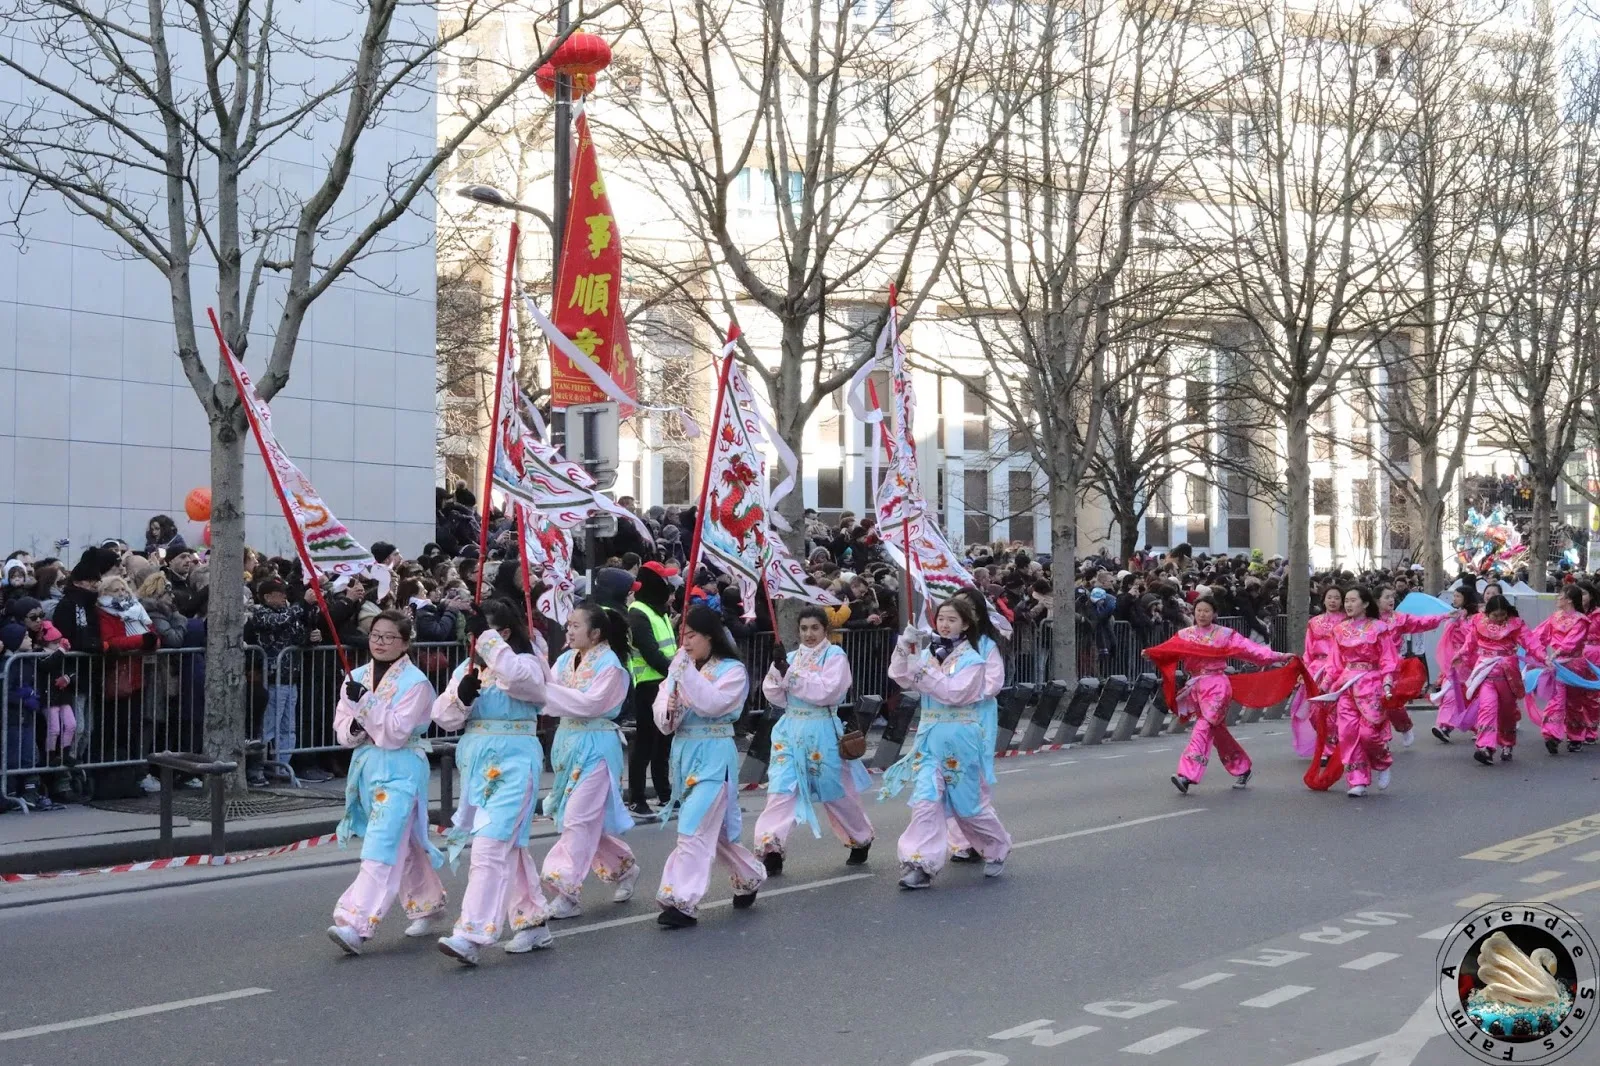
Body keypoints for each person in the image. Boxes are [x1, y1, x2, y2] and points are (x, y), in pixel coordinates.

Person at [430, 600, 554, 965]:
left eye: (480, 634)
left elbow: (518, 680)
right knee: (508, 847)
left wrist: (487, 641)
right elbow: (443, 716)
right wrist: (462, 697)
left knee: (489, 845)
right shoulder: (469, 667)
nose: (474, 641)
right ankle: (533, 922)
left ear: (503, 633)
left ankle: (471, 933)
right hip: (477, 769)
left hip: (515, 765)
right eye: (472, 635)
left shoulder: (529, 663)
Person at [327, 611, 447, 956]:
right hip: (366, 767)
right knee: (404, 843)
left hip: (402, 768)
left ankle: (355, 923)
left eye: (389, 637)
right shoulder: (356, 676)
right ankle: (427, 904)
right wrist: (355, 725)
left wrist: (364, 703)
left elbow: (395, 733)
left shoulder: (417, 684)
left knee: (381, 844)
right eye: (375, 635)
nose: (380, 643)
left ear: (405, 643)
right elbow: (343, 726)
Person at [882, 597, 1013, 889]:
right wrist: (905, 648)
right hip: (929, 738)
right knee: (926, 801)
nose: (945, 624)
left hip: (961, 737)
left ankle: (995, 847)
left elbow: (954, 693)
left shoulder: (974, 660)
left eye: (952, 619)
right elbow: (901, 677)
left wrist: (922, 669)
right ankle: (920, 864)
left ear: (965, 624)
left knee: (968, 806)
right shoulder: (928, 654)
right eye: (941, 618)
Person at [651, 605, 767, 928]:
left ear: (710, 636)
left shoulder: (732, 671)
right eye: (681, 636)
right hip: (685, 755)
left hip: (715, 755)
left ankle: (681, 900)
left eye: (691, 635)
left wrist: (685, 673)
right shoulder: (681, 667)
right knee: (716, 835)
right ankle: (748, 876)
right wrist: (668, 710)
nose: (684, 642)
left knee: (693, 825)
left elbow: (713, 704)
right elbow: (662, 713)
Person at [538, 602, 640, 917]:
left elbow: (590, 704)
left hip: (596, 746)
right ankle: (624, 869)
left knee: (577, 819)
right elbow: (547, 692)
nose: (569, 630)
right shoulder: (566, 659)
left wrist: (546, 692)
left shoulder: (610, 665)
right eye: (568, 625)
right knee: (579, 818)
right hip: (568, 744)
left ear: (595, 633)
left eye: (576, 625)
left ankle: (566, 891)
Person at [754, 606, 874, 873]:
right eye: (804, 628)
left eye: (815, 628)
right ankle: (771, 845)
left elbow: (827, 692)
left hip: (822, 729)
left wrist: (791, 677)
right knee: (781, 789)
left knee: (836, 792)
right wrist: (778, 671)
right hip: (790, 729)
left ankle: (860, 837)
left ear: (825, 630)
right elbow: (774, 694)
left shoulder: (835, 656)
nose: (809, 634)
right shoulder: (791, 657)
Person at [1156, 597, 1290, 795]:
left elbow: (1250, 649)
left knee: (1203, 726)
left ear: (1215, 614)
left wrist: (1278, 656)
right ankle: (1242, 768)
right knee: (1218, 733)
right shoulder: (1185, 634)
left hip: (1218, 686)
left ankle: (1187, 774)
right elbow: (1167, 651)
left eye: (1207, 611)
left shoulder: (1224, 634)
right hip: (1196, 687)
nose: (1202, 614)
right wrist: (1151, 653)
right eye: (1199, 610)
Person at [1318, 588, 1401, 797]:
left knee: (1368, 734)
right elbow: (1334, 662)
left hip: (1371, 685)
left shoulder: (1379, 628)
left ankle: (1382, 762)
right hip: (1346, 685)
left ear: (1365, 604)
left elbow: (1388, 658)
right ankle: (1358, 780)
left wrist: (1388, 682)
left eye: (1352, 600)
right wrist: (1326, 684)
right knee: (1348, 734)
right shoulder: (1339, 630)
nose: (1348, 604)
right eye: (1346, 601)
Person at [945, 585, 1005, 864]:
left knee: (973, 777)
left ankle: (982, 838)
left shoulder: (986, 646)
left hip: (977, 716)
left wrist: (963, 693)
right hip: (947, 721)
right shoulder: (942, 646)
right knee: (948, 777)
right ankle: (961, 842)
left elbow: (992, 683)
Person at [1454, 594, 1542, 766]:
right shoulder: (1478, 622)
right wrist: (1460, 655)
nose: (1499, 619)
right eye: (1495, 615)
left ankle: (1507, 743)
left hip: (1507, 673)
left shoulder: (1515, 624)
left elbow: (1531, 642)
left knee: (1507, 712)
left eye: (1503, 615)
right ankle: (1485, 747)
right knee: (1487, 707)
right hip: (1485, 672)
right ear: (1488, 613)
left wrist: (1542, 656)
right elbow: (1470, 643)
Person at [626, 562, 677, 816]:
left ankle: (665, 793)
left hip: (666, 683)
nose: (668, 587)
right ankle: (637, 797)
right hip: (648, 685)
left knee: (663, 744)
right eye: (664, 581)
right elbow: (649, 651)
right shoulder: (638, 612)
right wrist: (674, 670)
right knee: (645, 744)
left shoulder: (660, 610)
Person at [1530, 586, 1595, 754]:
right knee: (1556, 700)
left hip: (1574, 665)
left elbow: (1573, 641)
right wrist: (1535, 650)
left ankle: (1575, 736)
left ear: (1569, 600)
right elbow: (1538, 636)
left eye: (1561, 595)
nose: (1558, 598)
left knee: (1574, 703)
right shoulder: (1554, 618)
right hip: (1557, 665)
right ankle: (1552, 734)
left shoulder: (1581, 620)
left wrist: (1556, 653)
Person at [1290, 586, 1347, 764]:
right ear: (1323, 600)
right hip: (1316, 669)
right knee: (1314, 711)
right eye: (1330, 597)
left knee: (1335, 710)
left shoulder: (1347, 622)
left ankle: (1333, 747)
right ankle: (1326, 743)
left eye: (1337, 597)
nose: (1333, 601)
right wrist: (1305, 670)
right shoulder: (1314, 622)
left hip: (1338, 669)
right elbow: (1308, 649)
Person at [1430, 586, 1481, 742]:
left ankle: (1480, 727)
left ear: (1466, 597)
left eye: (1458, 596)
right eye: (1455, 596)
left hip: (1472, 660)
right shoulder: (1456, 615)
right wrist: (1453, 622)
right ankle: (1445, 726)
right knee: (1451, 693)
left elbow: (1475, 638)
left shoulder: (1478, 617)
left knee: (1473, 696)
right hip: (1456, 660)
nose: (1454, 599)